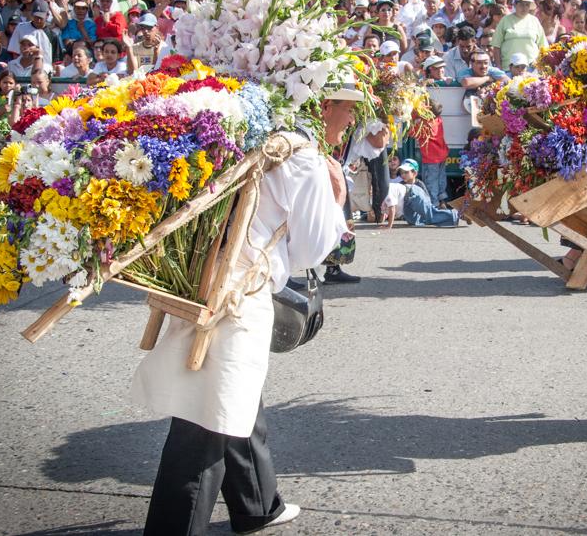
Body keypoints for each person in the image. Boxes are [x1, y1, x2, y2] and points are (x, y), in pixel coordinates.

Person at [133, 82, 359, 536]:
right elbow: (310, 252)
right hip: (239, 293)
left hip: (204, 280)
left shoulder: (243, 133)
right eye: (350, 110)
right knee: (206, 423)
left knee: (235, 391)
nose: (352, 122)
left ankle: (257, 503)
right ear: (325, 104)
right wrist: (336, 200)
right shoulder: (304, 158)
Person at [382, 159, 458, 228]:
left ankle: (457, 215)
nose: (403, 175)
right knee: (414, 221)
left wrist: (389, 226)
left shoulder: (419, 184)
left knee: (430, 215)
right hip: (408, 204)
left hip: (414, 196)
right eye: (401, 173)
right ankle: (447, 218)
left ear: (414, 173)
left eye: (406, 172)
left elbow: (426, 199)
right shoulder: (401, 184)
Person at [491, 0, 547, 70]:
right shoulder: (505, 20)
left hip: (532, 67)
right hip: (509, 67)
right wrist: (498, 67)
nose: (524, 7)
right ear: (515, 5)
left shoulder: (534, 21)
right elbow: (496, 46)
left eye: (527, 5)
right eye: (521, 4)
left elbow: (543, 45)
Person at [417, 102, 450, 207]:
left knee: (431, 182)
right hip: (441, 155)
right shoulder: (438, 120)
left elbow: (412, 132)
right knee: (441, 179)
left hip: (430, 158)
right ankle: (442, 200)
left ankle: (433, 205)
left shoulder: (424, 125)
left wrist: (414, 115)